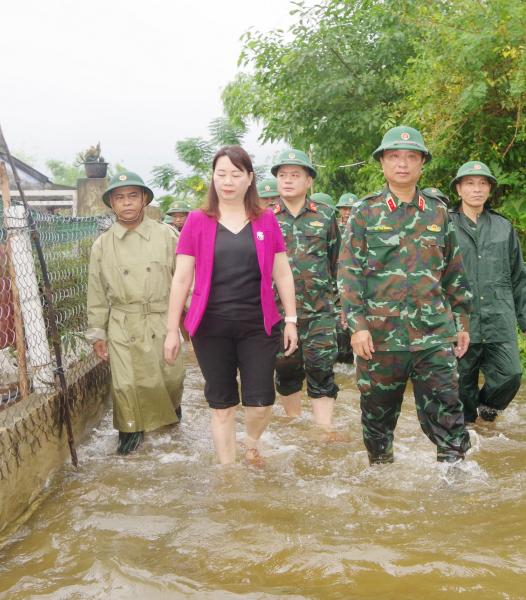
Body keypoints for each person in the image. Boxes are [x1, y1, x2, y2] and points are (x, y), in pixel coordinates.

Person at [338, 125, 473, 464]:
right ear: (382, 163)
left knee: (450, 414)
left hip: (434, 334)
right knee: (377, 421)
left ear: (422, 164)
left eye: (411, 156)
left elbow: (454, 271)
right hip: (380, 338)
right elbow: (349, 274)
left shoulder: (440, 212)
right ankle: (381, 482)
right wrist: (357, 326)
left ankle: (456, 490)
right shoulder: (364, 212)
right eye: (394, 156)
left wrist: (462, 322)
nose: (403, 163)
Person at [164, 146, 298, 466]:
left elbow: (282, 272)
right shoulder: (197, 221)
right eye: (221, 174)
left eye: (236, 174)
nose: (228, 181)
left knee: (261, 402)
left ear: (249, 179)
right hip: (211, 326)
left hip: (258, 324)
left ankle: (251, 442)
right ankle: (228, 471)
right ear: (213, 178)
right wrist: (172, 330)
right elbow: (181, 279)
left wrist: (290, 320)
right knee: (221, 404)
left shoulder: (266, 220)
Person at [86, 172, 185, 455]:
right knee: (126, 384)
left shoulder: (168, 236)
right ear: (112, 204)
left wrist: (192, 318)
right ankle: (129, 438)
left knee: (170, 378)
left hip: (161, 319)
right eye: (119, 197)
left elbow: (185, 279)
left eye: (132, 196)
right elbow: (96, 293)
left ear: (144, 199)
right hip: (122, 322)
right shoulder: (102, 245)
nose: (126, 203)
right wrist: (97, 333)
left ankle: (171, 421)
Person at [449, 161, 526, 423]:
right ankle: (467, 427)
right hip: (461, 318)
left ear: (490, 189)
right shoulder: (444, 224)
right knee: (461, 379)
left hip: (499, 316)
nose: (477, 189)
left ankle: (487, 412)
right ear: (459, 189)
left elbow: (519, 275)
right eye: (470, 183)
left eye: (483, 183)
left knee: (510, 374)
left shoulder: (503, 227)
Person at [270, 150, 342, 427]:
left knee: (322, 368)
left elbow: (337, 262)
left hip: (320, 310)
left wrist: (341, 307)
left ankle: (324, 430)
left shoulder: (325, 215)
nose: (287, 180)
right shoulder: (264, 218)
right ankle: (295, 423)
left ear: (309, 181)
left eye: (295, 175)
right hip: (277, 311)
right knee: (286, 370)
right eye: (282, 175)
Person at [334, 192, 359, 364]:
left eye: (351, 208)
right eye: (344, 208)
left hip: (358, 285)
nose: (347, 212)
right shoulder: (335, 229)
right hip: (337, 287)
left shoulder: (363, 229)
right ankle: (344, 362)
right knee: (340, 328)